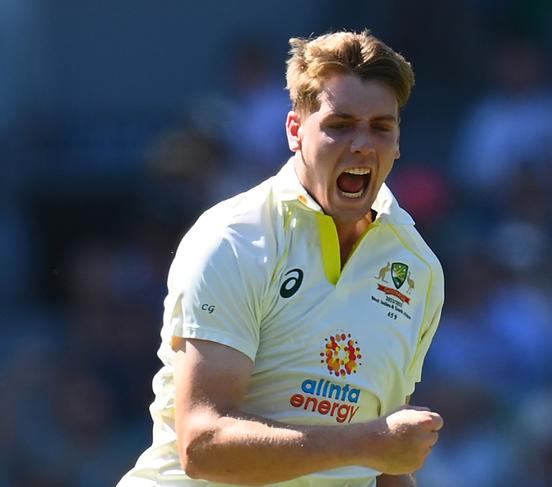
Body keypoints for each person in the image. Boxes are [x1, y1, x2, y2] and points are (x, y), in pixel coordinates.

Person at [117, 30, 444, 487]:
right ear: (295, 131)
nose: (362, 145)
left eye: (380, 127)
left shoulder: (418, 268)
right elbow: (203, 445)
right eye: (340, 124)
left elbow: (387, 457)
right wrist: (367, 444)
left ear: (397, 141)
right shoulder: (235, 239)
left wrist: (380, 448)